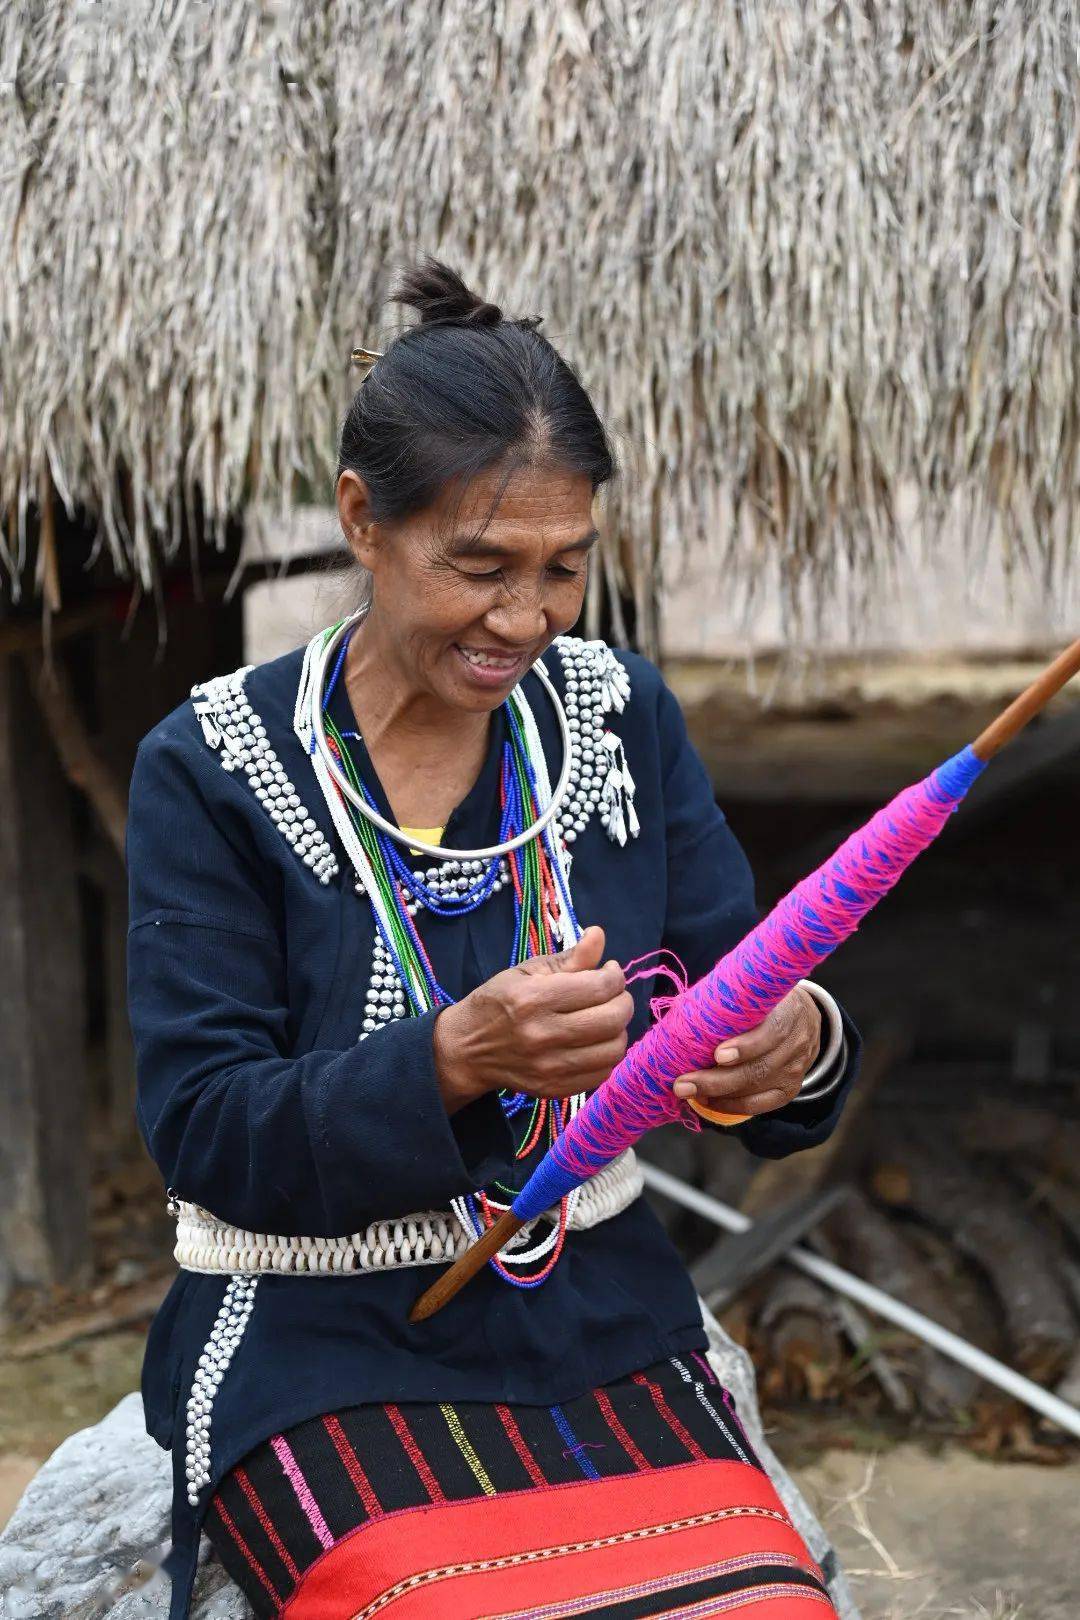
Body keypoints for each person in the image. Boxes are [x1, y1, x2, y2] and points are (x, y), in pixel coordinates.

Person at [127, 257, 861, 1619]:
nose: (527, 618)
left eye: (564, 570)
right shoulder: (214, 767)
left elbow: (733, 999)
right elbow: (203, 1130)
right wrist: (454, 1056)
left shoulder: (618, 714)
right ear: (362, 519)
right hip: (319, 1341)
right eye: (481, 569)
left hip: (600, 1320)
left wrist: (793, 1042)